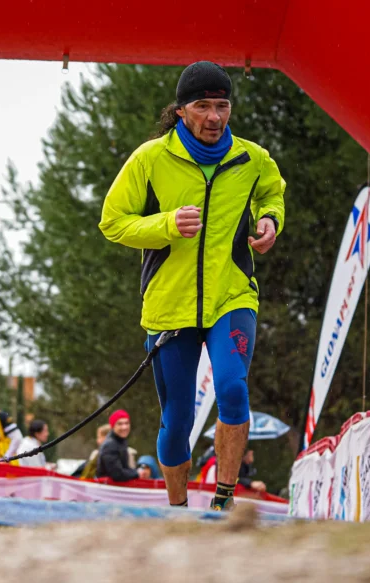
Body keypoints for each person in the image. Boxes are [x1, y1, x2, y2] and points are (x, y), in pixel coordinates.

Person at [99, 61, 286, 510]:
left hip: (232, 294)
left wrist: (269, 221)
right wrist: (165, 225)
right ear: (182, 110)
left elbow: (272, 193)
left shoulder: (251, 158)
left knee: (233, 387)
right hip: (170, 305)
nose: (214, 117)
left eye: (222, 106)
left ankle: (223, 500)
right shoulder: (150, 159)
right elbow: (112, 222)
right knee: (178, 417)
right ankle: (179, 511)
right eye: (202, 106)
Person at [98, 410, 150, 482]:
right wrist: (137, 474)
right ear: (113, 426)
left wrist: (137, 471)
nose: (124, 427)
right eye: (120, 424)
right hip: (106, 489)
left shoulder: (121, 441)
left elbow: (124, 468)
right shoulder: (109, 445)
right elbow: (117, 474)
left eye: (127, 423)